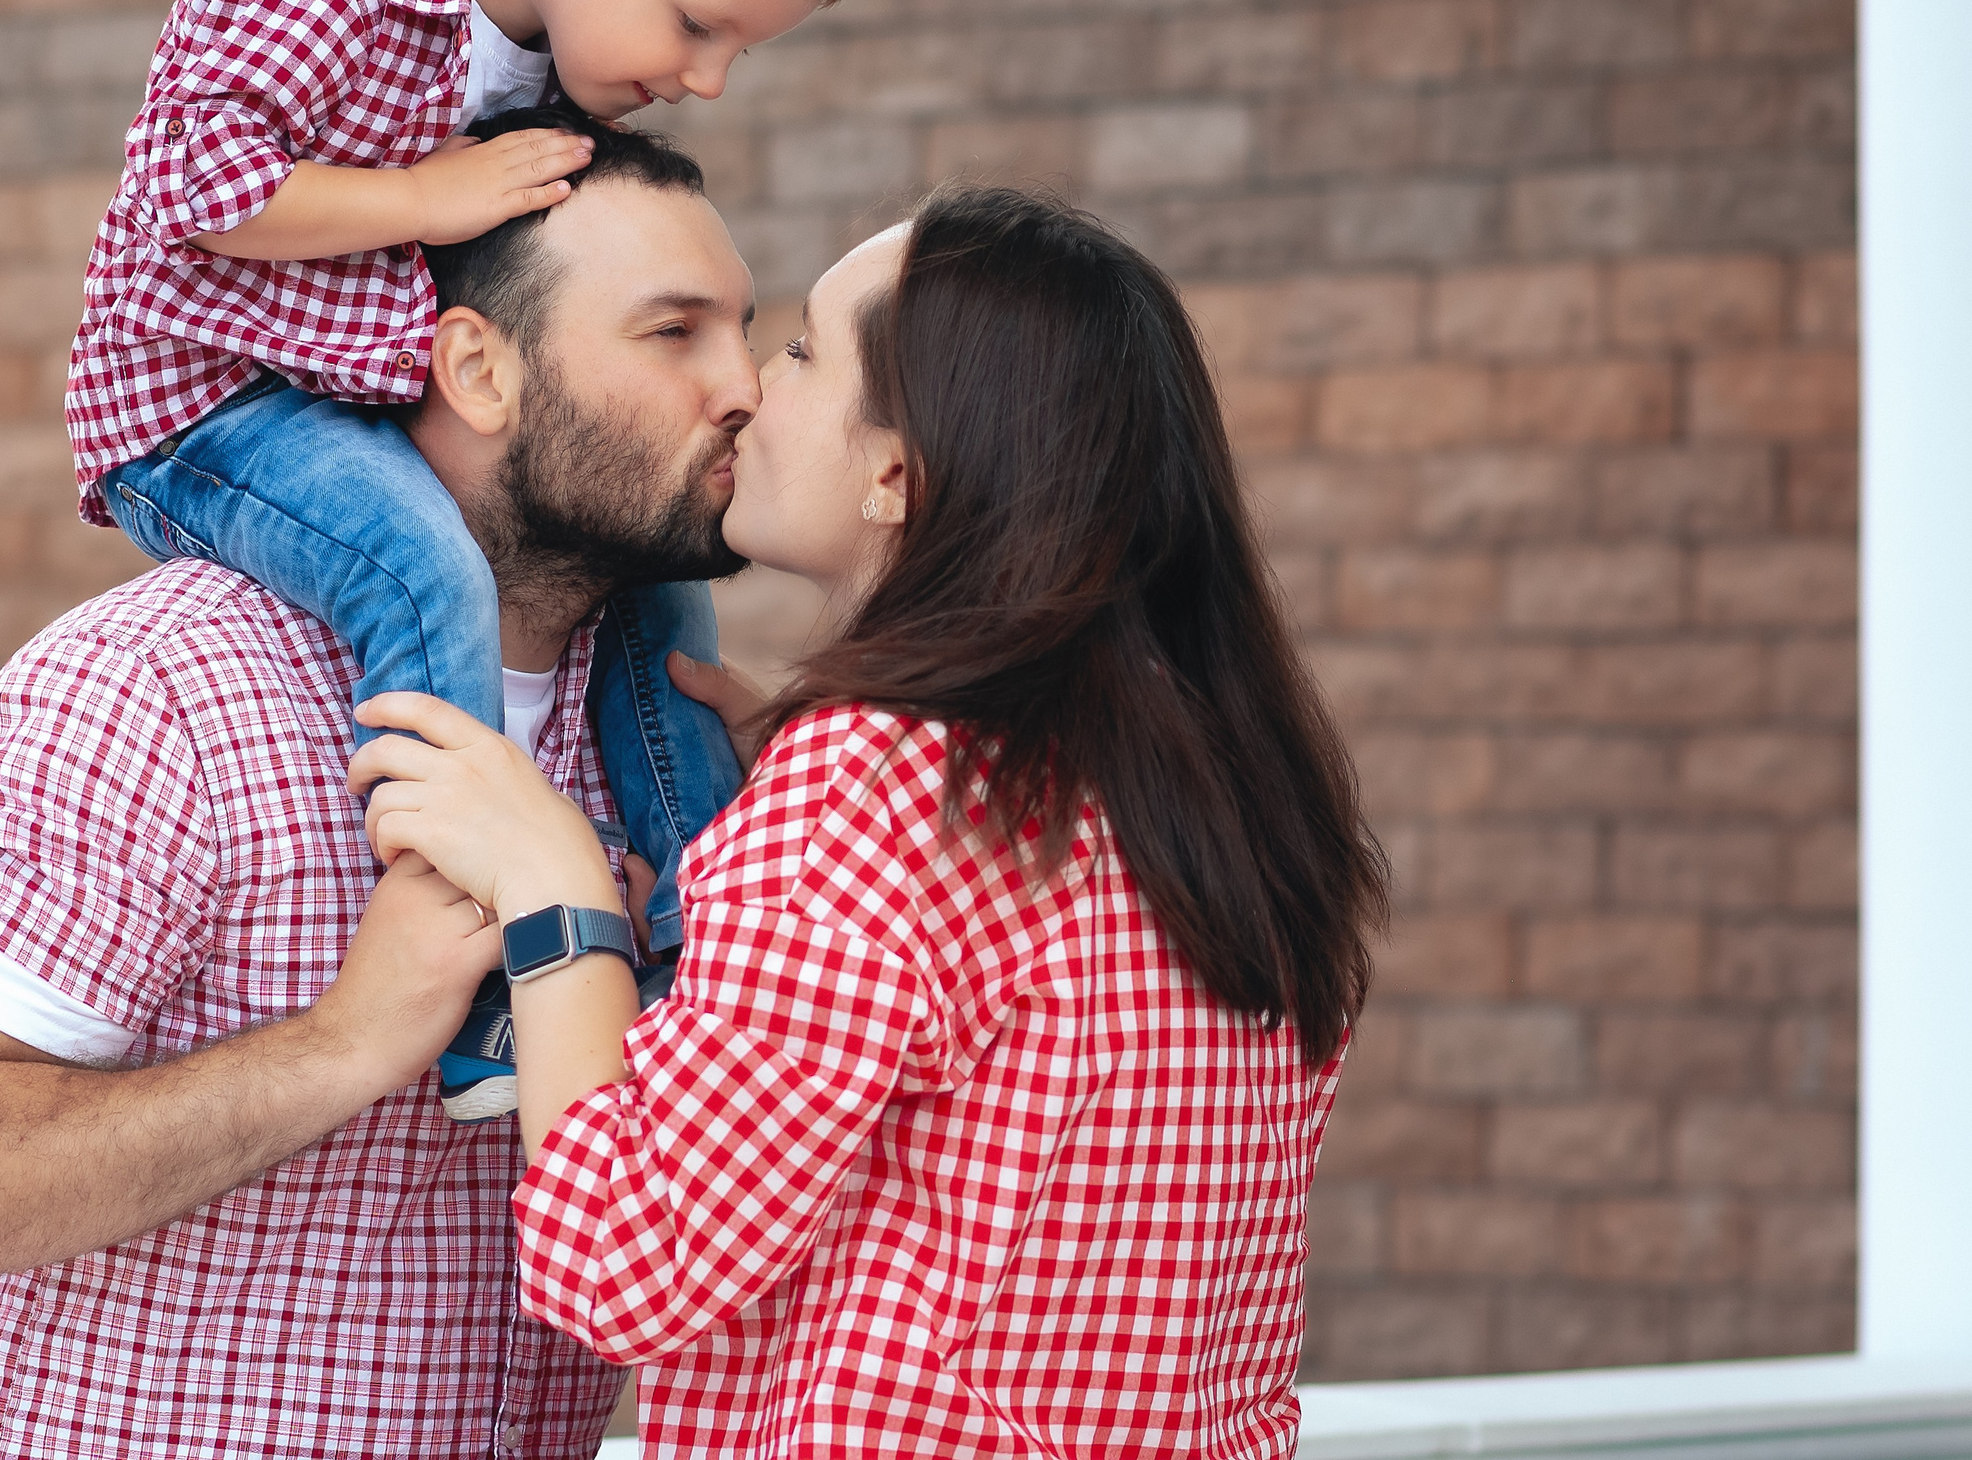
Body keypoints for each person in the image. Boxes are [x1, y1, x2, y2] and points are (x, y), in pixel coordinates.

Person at [354, 188, 1393, 1458]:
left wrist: (554, 888)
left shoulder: (878, 787)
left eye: (797, 350)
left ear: (895, 473)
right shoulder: (1232, 780)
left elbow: (626, 1262)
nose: (745, 389)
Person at [0, 121, 760, 1458]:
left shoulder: (685, 753)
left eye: (748, 330)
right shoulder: (159, 690)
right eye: (675, 334)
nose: (742, 389)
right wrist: (349, 1040)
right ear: (478, 369)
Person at [67, 0, 865, 1119]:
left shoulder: (564, 53)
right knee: (421, 564)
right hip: (207, 404)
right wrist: (423, 195)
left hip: (351, 387)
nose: (708, 80)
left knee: (661, 595)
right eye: (696, 25)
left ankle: (691, 956)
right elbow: (197, 188)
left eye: (741, 48)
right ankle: (479, 971)